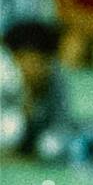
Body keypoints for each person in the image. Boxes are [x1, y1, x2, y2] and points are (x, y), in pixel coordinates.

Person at [0, 19, 73, 161]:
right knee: (12, 128)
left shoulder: (56, 77)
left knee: (53, 147)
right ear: (17, 58)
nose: (36, 68)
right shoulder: (3, 77)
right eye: (31, 61)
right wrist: (25, 106)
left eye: (41, 62)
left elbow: (62, 122)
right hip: (6, 129)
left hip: (39, 134)